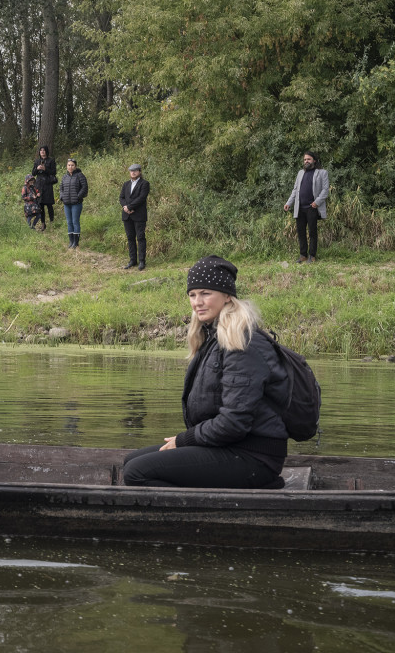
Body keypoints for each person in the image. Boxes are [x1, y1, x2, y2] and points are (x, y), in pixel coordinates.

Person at [122, 256, 289, 489]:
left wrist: (184, 440)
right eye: (192, 295)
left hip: (254, 456)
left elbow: (234, 422)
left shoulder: (242, 343)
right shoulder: (213, 336)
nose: (197, 302)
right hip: (226, 446)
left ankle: (235, 502)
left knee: (136, 471)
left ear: (227, 295)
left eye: (205, 293)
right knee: (131, 461)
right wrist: (187, 441)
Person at [284, 152, 329, 264]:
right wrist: (289, 203)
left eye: (308, 159)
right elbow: (295, 190)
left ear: (314, 160)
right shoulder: (300, 173)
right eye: (304, 159)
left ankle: (312, 256)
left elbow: (325, 190)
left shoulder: (322, 173)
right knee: (301, 232)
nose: (306, 161)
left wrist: (317, 202)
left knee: (312, 232)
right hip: (300, 207)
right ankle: (303, 255)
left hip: (312, 207)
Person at [120, 163, 149, 270]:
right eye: (131, 171)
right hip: (127, 215)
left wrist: (130, 207)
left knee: (140, 237)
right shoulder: (126, 184)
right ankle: (132, 260)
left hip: (139, 214)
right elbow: (121, 197)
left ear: (139, 172)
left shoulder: (144, 184)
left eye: (135, 170)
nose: (133, 172)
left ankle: (142, 261)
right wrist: (125, 207)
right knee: (130, 238)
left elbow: (141, 198)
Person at [59, 158, 88, 249]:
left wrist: (78, 196)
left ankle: (76, 242)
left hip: (76, 203)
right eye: (69, 165)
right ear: (66, 166)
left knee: (75, 222)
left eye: (72, 165)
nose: (70, 167)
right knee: (69, 222)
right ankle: (71, 242)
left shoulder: (80, 175)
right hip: (66, 203)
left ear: (75, 166)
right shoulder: (64, 177)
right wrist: (62, 197)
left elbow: (84, 187)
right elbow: (61, 188)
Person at [31, 145, 57, 227]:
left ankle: (52, 222)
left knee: (49, 204)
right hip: (39, 184)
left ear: (46, 151)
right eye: (41, 150)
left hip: (48, 183)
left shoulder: (51, 160)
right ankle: (43, 223)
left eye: (44, 150)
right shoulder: (37, 161)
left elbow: (54, 172)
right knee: (40, 204)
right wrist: (37, 168)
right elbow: (33, 173)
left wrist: (45, 169)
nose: (42, 152)